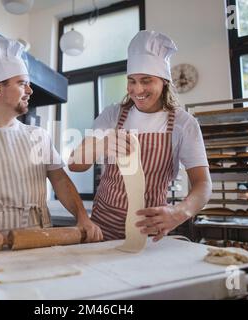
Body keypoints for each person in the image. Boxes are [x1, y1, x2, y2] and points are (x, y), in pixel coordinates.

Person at [0, 36, 102, 253]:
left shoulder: (39, 136)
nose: (30, 91)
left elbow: (60, 180)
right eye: (22, 83)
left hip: (43, 242)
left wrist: (82, 217)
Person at [68, 30, 212, 241]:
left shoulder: (183, 124)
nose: (137, 89)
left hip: (149, 229)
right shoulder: (112, 115)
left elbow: (203, 184)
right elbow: (74, 164)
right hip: (102, 227)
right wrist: (102, 145)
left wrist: (179, 213)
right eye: (132, 81)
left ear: (164, 81)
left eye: (146, 81)